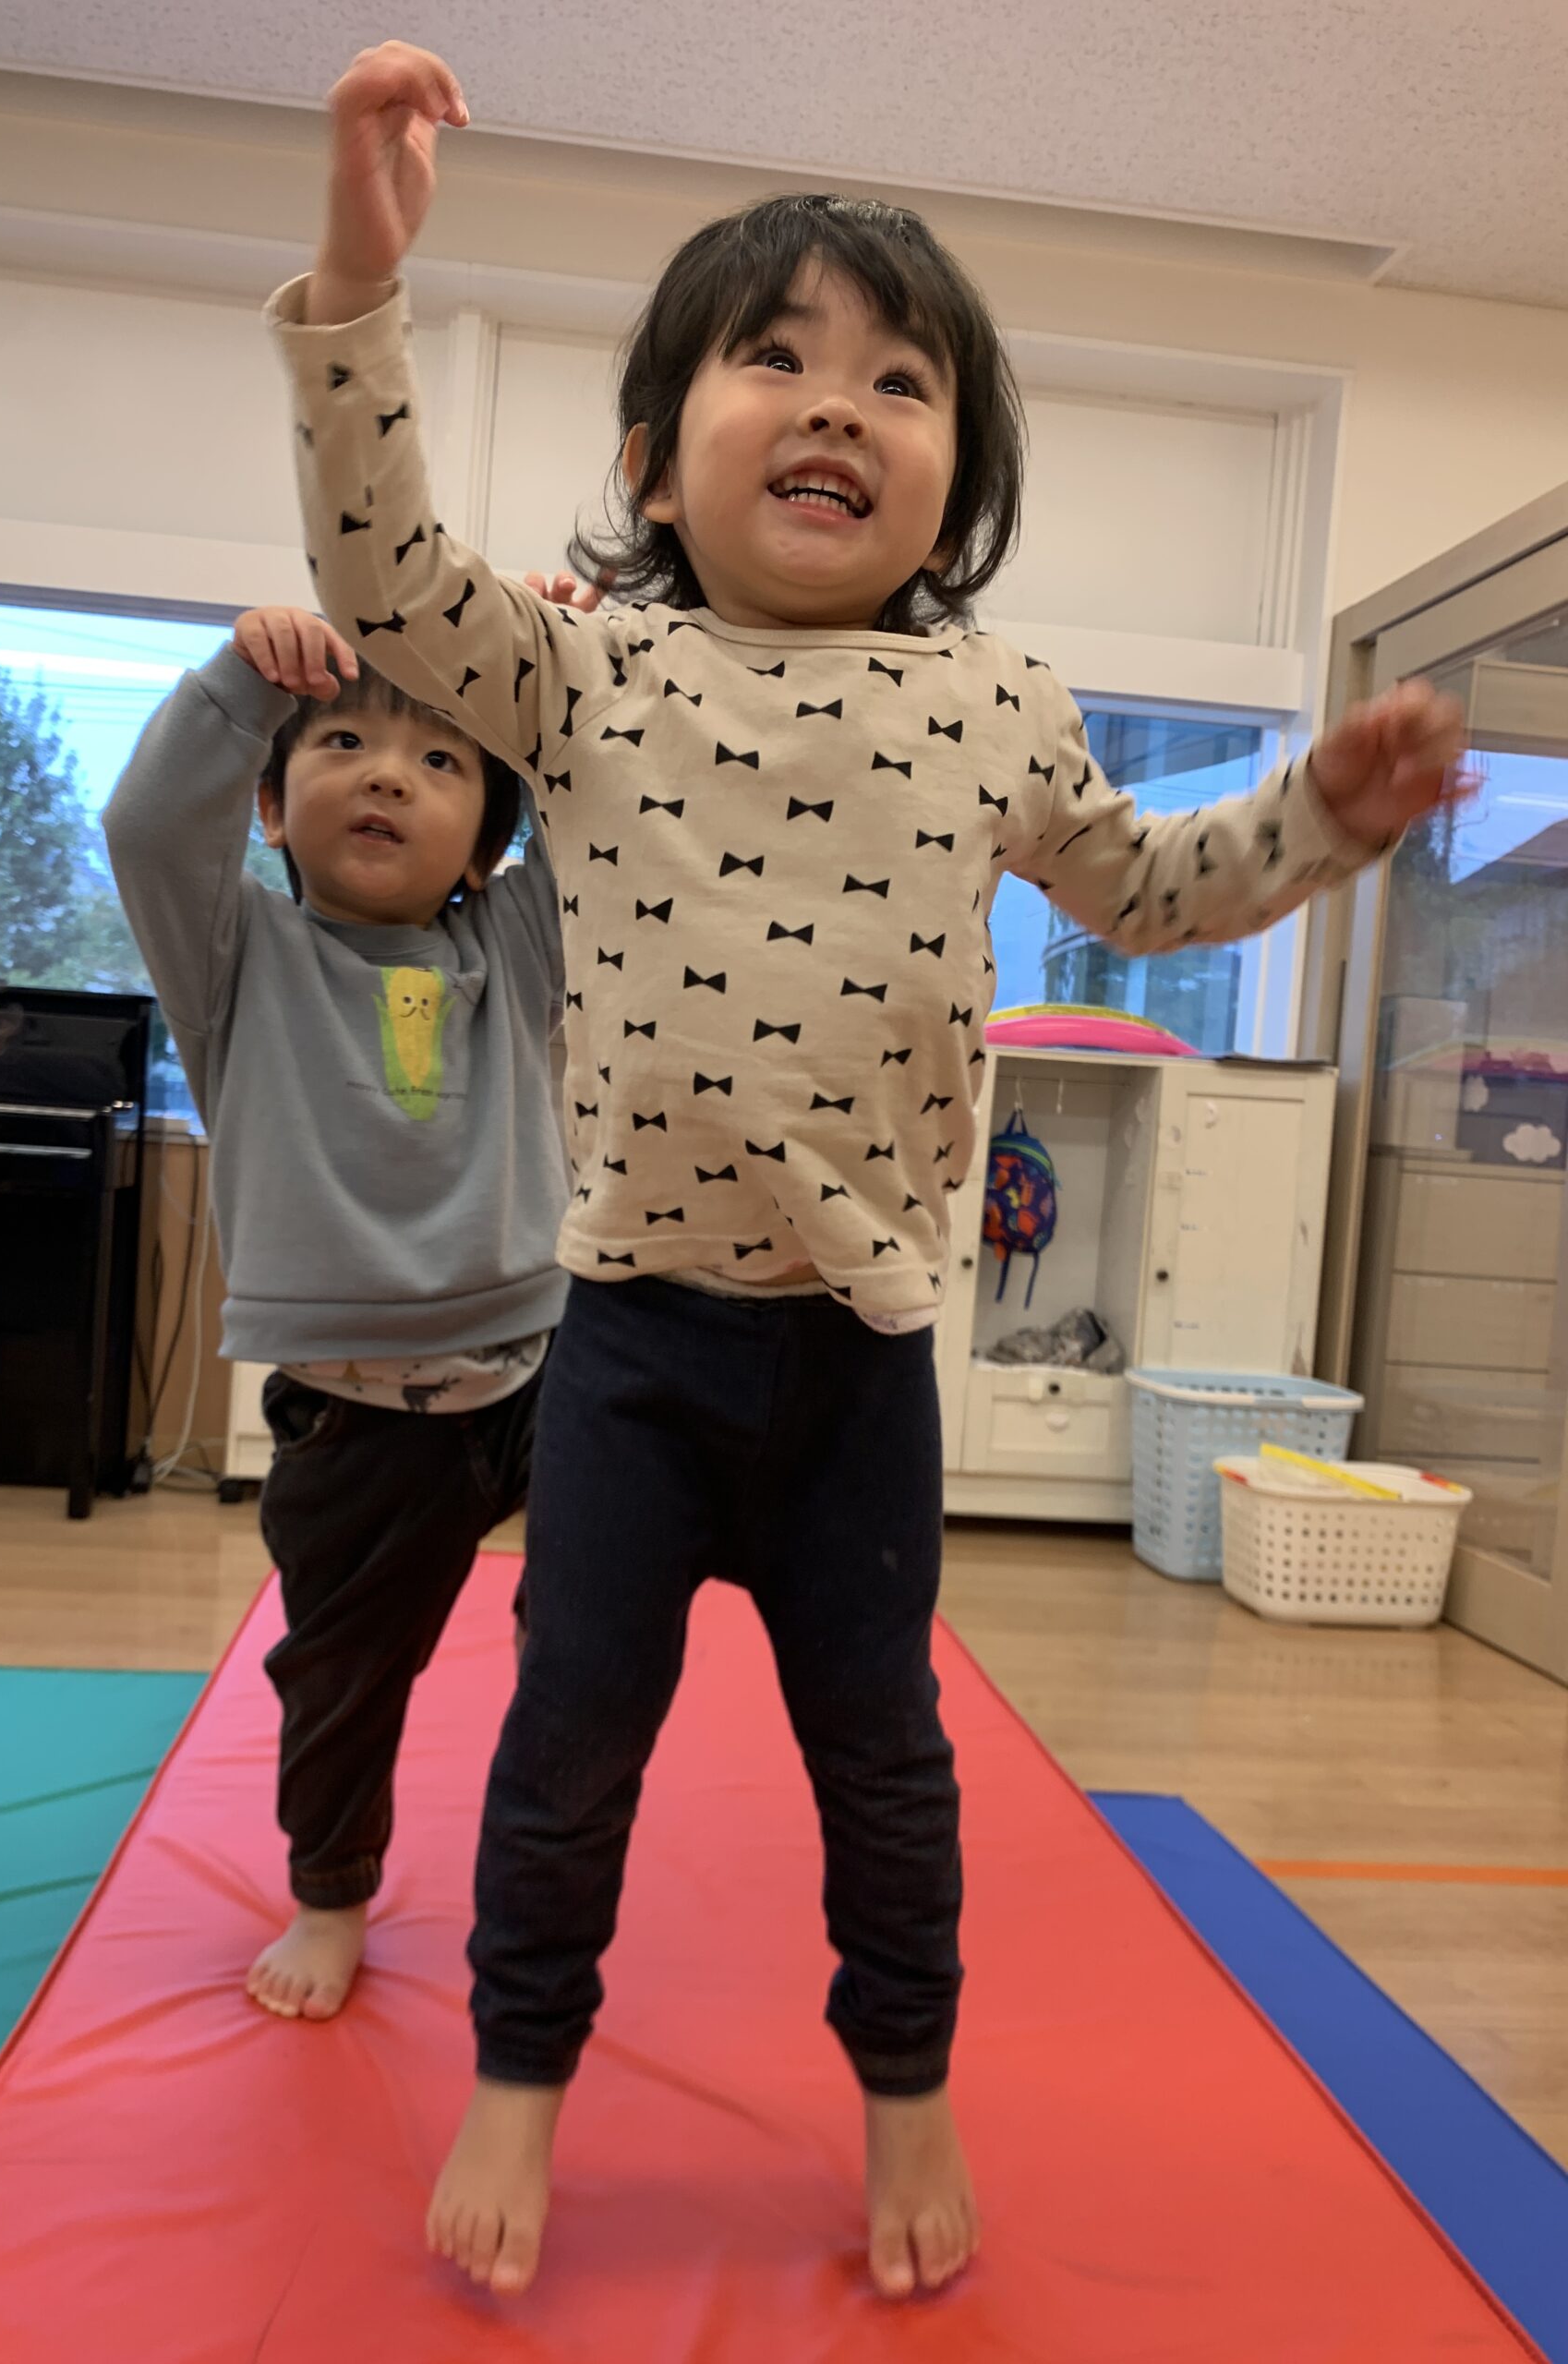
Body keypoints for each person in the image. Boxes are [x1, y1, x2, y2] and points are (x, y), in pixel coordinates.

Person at [267, 41, 1470, 2298]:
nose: (839, 402)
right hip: (625, 1336)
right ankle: (523, 2072)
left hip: (859, 1354)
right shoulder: (584, 674)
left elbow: (1155, 886)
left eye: (900, 382)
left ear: (955, 486)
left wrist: (1330, 809)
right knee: (565, 1743)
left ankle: (903, 2081)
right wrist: (358, 279)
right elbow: (382, 567)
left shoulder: (999, 701)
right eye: (777, 360)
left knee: (887, 1760)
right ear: (650, 459)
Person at [103, 605, 572, 2023]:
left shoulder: (512, 944)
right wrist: (254, 677)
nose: (387, 775)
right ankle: (330, 1892)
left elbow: (625, 824)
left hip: (548, 1371)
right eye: (348, 743)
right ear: (268, 801)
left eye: (442, 763)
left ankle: (559, 1834)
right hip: (365, 1422)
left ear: (488, 836)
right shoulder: (238, 955)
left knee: (605, 1623)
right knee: (345, 1679)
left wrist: (570, 674)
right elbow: (143, 825)